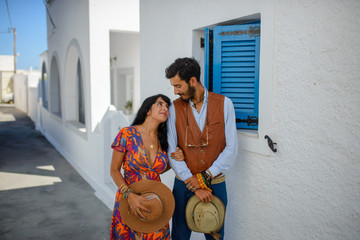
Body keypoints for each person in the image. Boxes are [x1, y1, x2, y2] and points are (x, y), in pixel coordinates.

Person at [165, 57, 238, 240]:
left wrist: (204, 177)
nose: (175, 91)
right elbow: (172, 150)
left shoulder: (225, 104)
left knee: (215, 234)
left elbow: (231, 149)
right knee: (180, 235)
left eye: (178, 86)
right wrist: (192, 182)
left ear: (192, 81)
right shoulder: (173, 109)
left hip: (216, 183)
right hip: (183, 183)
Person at [110, 94, 175, 240]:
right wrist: (129, 195)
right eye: (160, 104)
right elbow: (114, 170)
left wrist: (175, 161)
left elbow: (158, 169)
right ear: (148, 110)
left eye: (167, 106)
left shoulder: (164, 140)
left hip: (155, 201)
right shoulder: (127, 134)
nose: (165, 108)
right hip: (128, 197)